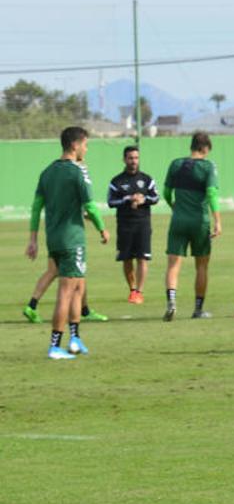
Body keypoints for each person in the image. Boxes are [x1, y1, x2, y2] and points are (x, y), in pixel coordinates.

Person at [25, 126, 110, 359]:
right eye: (85, 145)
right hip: (73, 240)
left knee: (78, 286)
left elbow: (35, 208)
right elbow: (91, 206)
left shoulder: (47, 172)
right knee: (66, 291)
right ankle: (55, 345)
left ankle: (75, 338)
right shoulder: (78, 172)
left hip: (54, 239)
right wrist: (102, 228)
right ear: (75, 145)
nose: (86, 149)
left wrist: (32, 239)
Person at [162, 132, 223, 321]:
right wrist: (217, 220)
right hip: (199, 222)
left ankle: (171, 301)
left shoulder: (176, 164)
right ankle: (198, 309)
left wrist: (173, 205)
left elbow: (166, 192)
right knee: (202, 266)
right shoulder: (208, 166)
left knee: (173, 264)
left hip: (178, 220)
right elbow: (212, 193)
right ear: (205, 148)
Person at [108, 145, 159, 304]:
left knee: (142, 258)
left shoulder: (147, 179)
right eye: (130, 158)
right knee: (127, 259)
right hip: (124, 225)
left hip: (143, 223)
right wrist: (127, 199)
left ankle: (139, 291)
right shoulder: (117, 181)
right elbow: (110, 202)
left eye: (136, 158)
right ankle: (132, 289)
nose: (133, 161)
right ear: (124, 159)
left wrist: (144, 200)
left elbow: (156, 198)